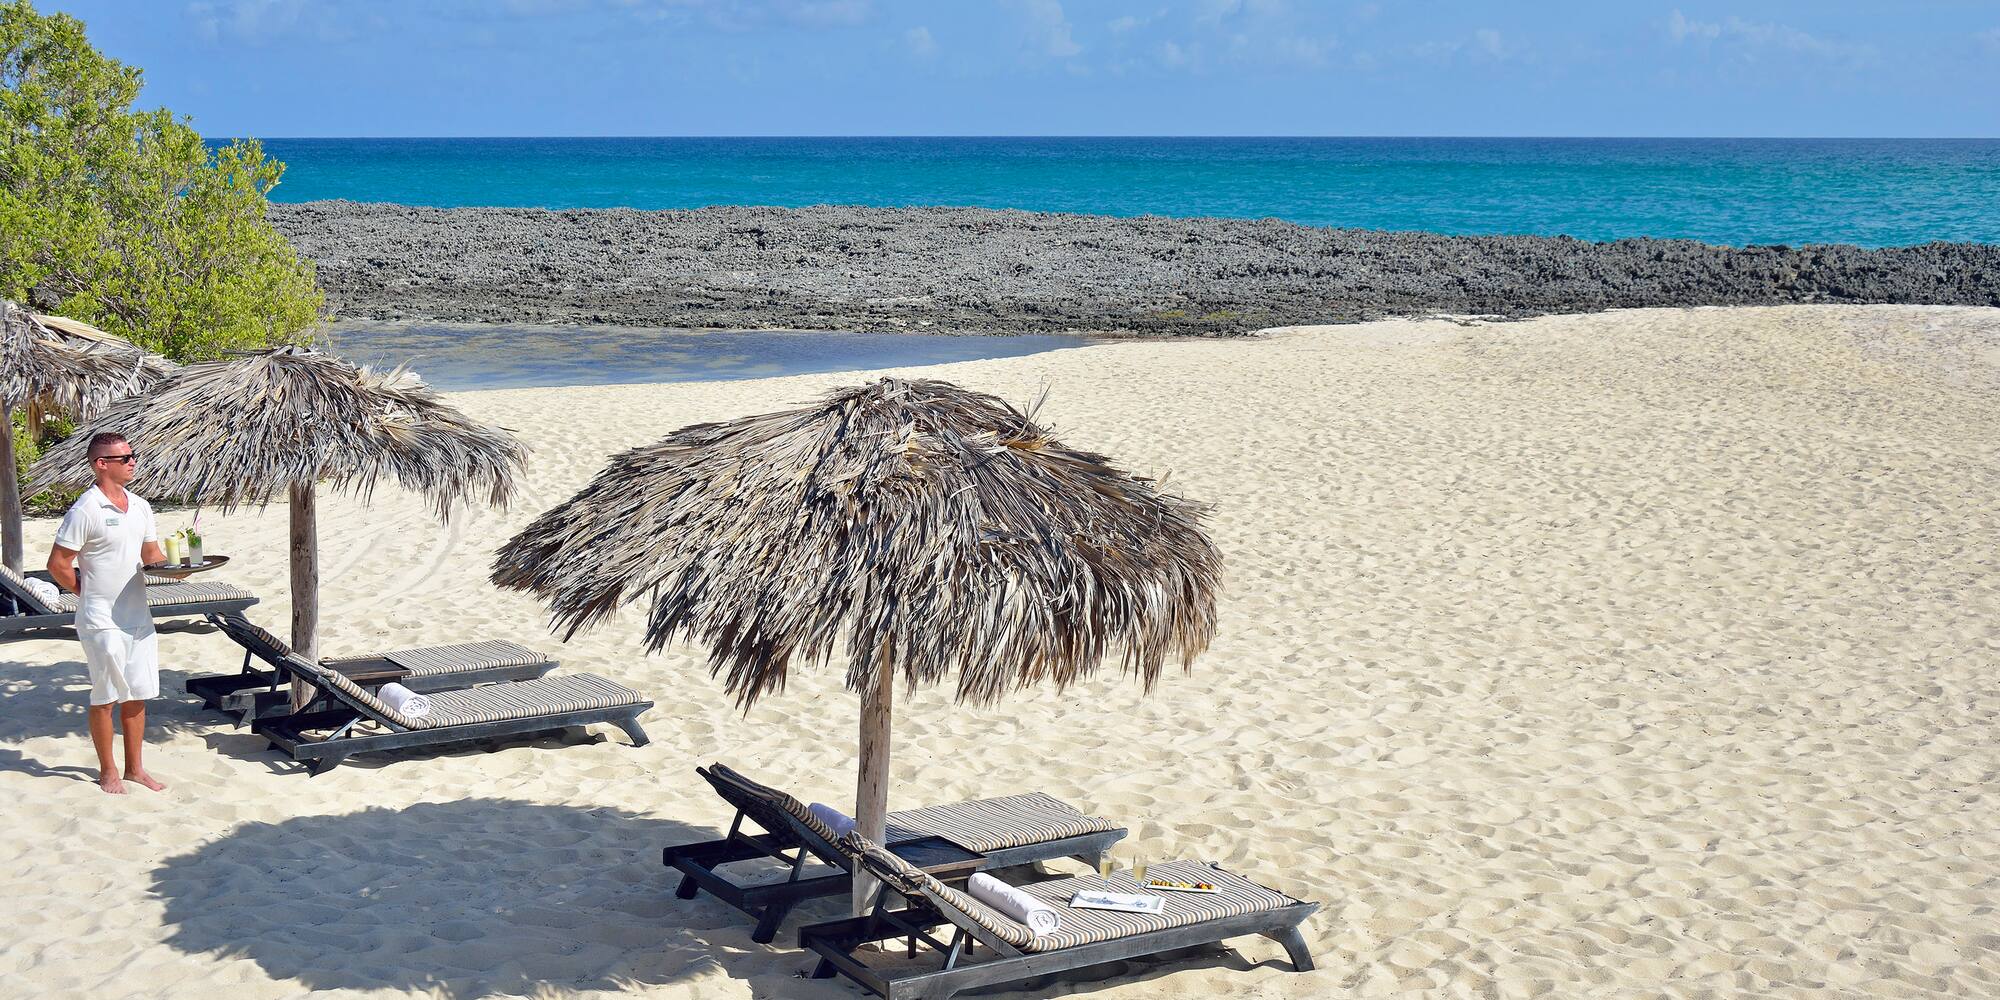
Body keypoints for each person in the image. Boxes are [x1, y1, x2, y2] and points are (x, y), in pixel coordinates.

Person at [47, 432, 168, 794]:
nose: (133, 461)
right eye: (125, 457)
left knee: (137, 693)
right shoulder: (86, 509)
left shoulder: (141, 506)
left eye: (134, 455)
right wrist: (86, 594)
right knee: (106, 694)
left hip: (137, 615)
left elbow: (152, 558)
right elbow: (58, 564)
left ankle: (135, 768)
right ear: (102, 464)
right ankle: (108, 771)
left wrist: (183, 566)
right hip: (100, 618)